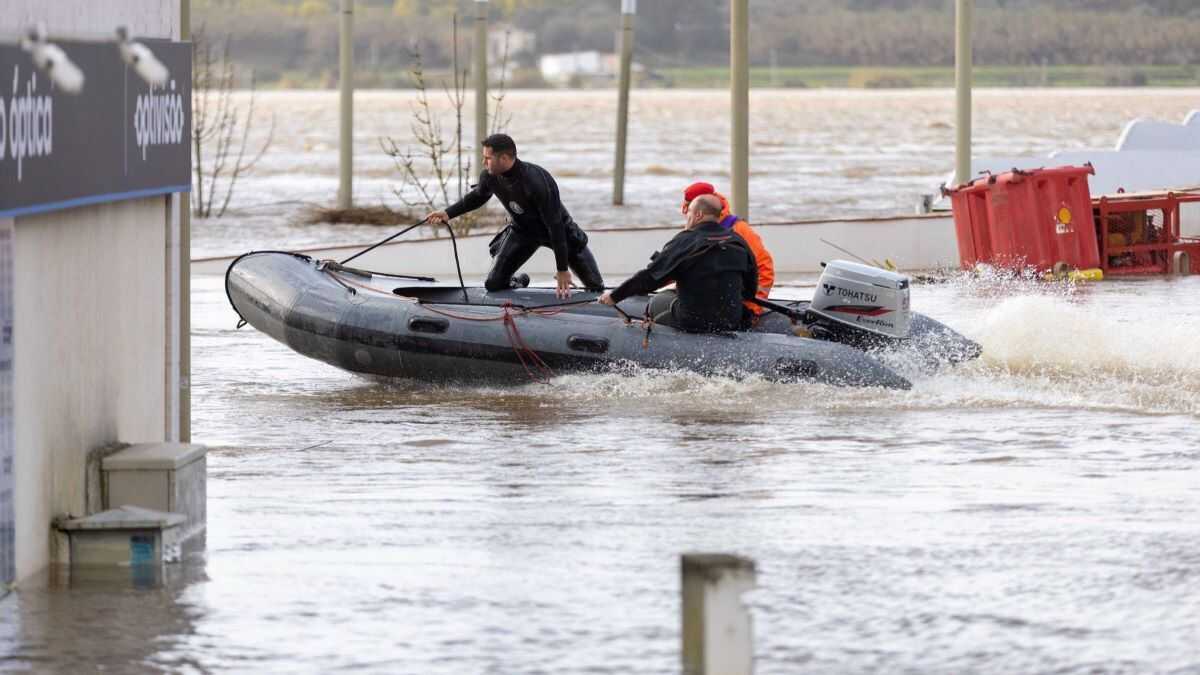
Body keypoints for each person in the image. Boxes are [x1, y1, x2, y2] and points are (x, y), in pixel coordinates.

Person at [427, 134, 604, 298]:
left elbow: (555, 226)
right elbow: (477, 197)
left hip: (561, 233)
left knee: (595, 287)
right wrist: (447, 213)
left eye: (488, 158)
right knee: (493, 284)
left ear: (503, 158)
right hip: (524, 232)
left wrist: (562, 270)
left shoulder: (536, 181)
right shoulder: (490, 176)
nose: (484, 162)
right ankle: (518, 281)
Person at [599, 195, 757, 333]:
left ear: (698, 214)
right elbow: (751, 287)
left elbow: (650, 278)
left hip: (693, 322)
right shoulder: (737, 240)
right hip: (731, 320)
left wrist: (614, 296)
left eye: (688, 213)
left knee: (658, 299)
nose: (686, 217)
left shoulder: (685, 240)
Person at [681, 181, 775, 326]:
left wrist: (752, 309)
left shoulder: (739, 230)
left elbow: (764, 268)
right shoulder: (694, 228)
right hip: (704, 304)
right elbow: (678, 265)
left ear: (699, 210)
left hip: (733, 306)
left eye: (688, 210)